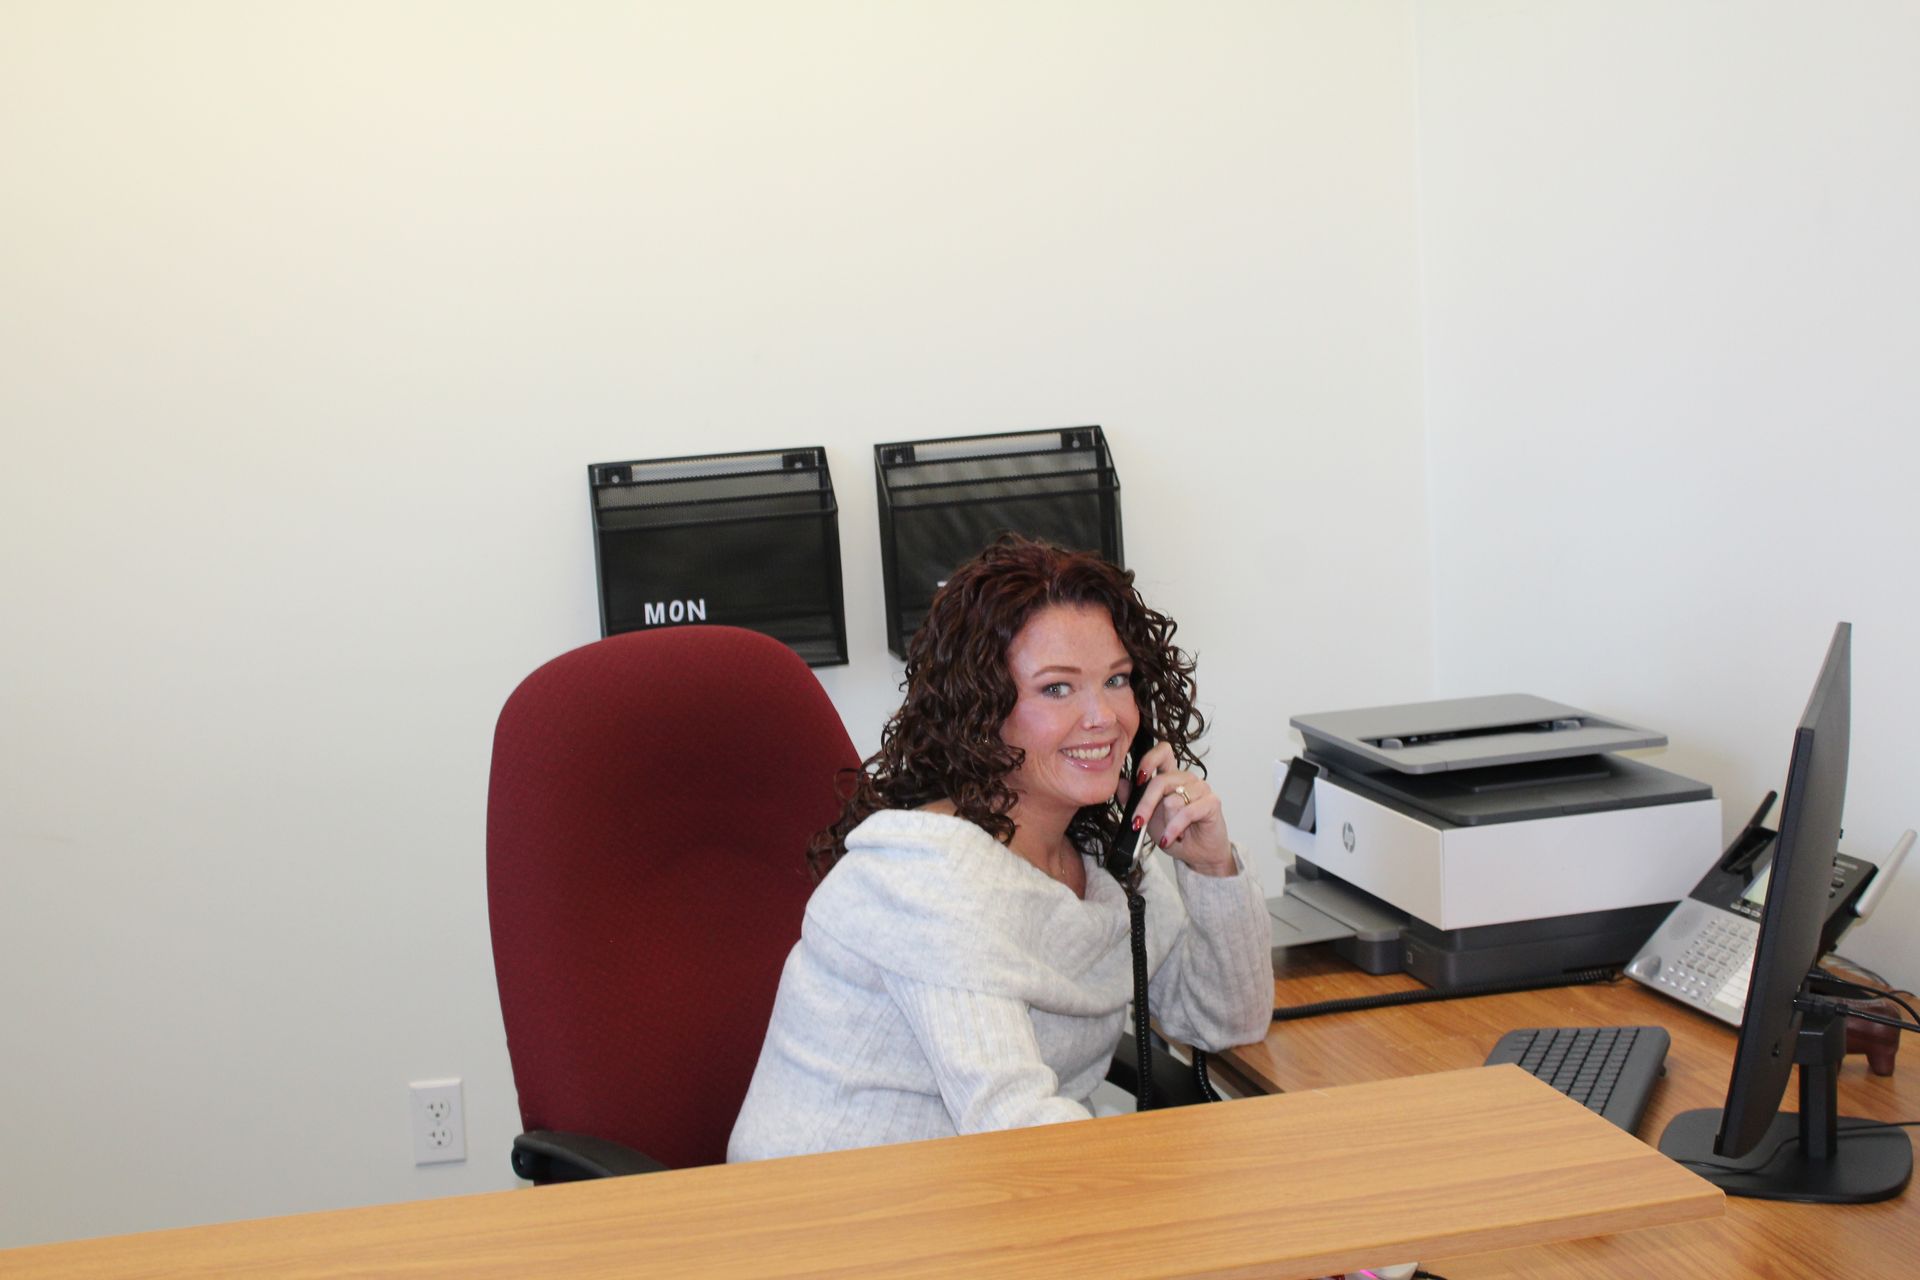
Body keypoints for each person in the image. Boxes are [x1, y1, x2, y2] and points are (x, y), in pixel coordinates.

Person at [727, 535, 1273, 1162]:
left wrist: (1211, 866)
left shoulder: (1100, 857)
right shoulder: (930, 879)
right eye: (1057, 689)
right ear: (982, 708)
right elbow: (1011, 1120)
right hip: (835, 1220)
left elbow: (1224, 1020)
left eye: (1116, 680)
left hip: (988, 1195)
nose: (1103, 717)